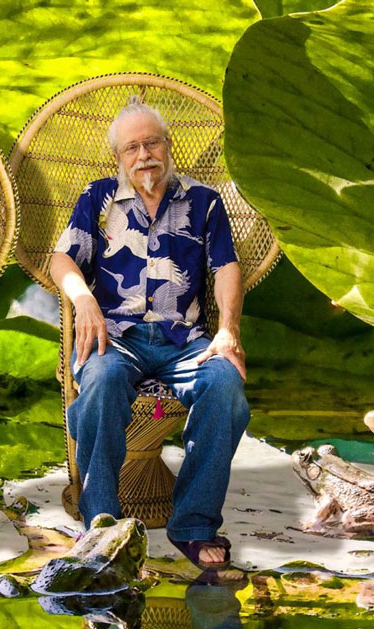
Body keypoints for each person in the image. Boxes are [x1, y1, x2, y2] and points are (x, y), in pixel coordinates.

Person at [49, 97, 250, 571]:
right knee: (98, 382)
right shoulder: (97, 198)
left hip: (184, 340)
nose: (144, 156)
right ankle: (99, 521)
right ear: (119, 157)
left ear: (168, 145)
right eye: (132, 148)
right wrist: (83, 300)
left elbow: (226, 266)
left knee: (227, 389)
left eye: (152, 143)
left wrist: (227, 330)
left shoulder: (204, 201)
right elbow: (62, 259)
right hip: (115, 335)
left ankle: (195, 525)